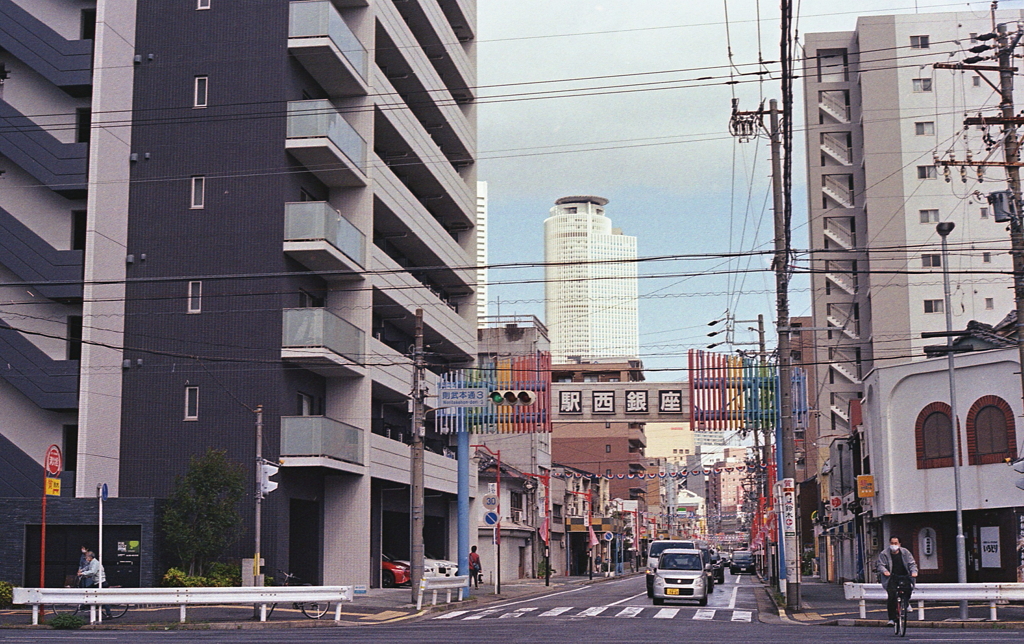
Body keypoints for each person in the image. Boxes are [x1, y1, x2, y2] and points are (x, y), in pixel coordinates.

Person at [877, 536, 918, 626]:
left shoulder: (905, 552)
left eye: (895, 543)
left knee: (908, 589)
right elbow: (880, 565)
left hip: (904, 575)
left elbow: (912, 563)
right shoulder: (884, 554)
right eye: (892, 543)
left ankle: (906, 603)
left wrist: (914, 572)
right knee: (892, 596)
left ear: (899, 544)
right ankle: (891, 619)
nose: (893, 545)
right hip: (891, 577)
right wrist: (885, 571)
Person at [77, 551, 112, 619]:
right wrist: (82, 571)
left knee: (103, 599)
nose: (86, 558)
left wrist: (82, 574)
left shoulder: (95, 563)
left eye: (86, 557)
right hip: (97, 582)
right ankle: (91, 605)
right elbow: (87, 568)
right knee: (89, 590)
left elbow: (92, 572)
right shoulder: (92, 562)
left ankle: (108, 613)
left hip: (101, 583)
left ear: (90, 557)